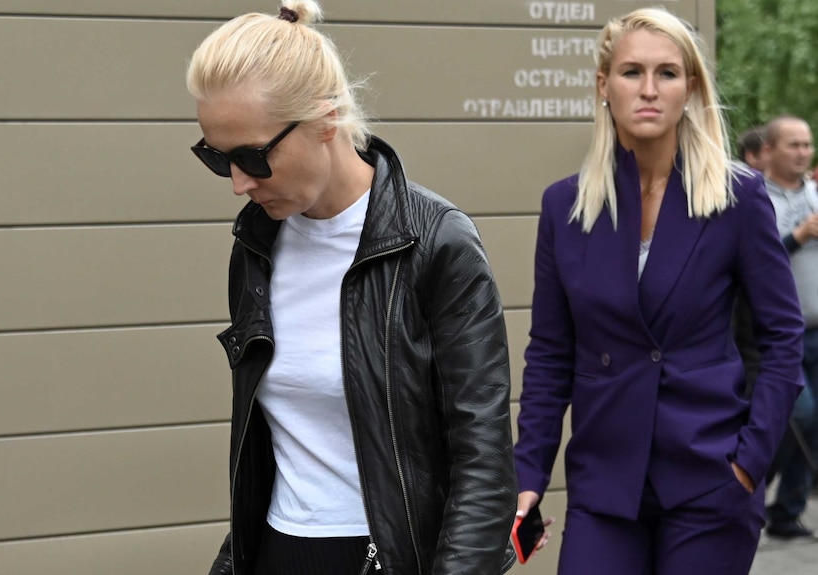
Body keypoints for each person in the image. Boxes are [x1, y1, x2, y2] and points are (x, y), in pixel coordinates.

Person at [185, 2, 517, 574]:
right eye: (217, 159)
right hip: (278, 550)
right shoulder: (255, 249)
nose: (239, 183)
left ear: (326, 119)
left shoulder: (435, 242)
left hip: (391, 555)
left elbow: (483, 461)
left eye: (252, 156)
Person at [513, 8, 804, 575]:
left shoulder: (737, 198)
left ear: (690, 88)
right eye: (631, 72)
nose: (649, 90)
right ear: (604, 85)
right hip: (606, 480)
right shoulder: (564, 206)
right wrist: (529, 478)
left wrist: (750, 460)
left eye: (668, 73)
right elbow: (549, 353)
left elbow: (782, 337)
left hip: (710, 475)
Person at [761, 115, 818, 539]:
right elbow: (754, 264)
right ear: (769, 151)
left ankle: (786, 513)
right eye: (794, 145)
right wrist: (797, 236)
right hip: (781, 337)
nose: (803, 152)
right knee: (797, 415)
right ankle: (746, 493)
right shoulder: (755, 199)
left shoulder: (815, 193)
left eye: (807, 145)